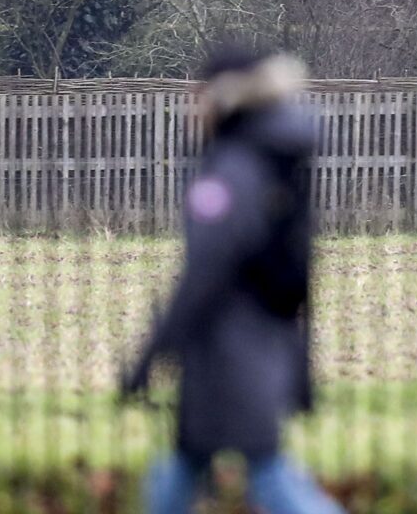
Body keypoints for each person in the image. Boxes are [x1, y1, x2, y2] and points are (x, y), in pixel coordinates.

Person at [120, 45, 340, 514]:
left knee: (267, 475)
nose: (189, 105)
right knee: (187, 469)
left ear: (222, 99)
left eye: (195, 93)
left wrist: (152, 353)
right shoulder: (270, 162)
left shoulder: (231, 172)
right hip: (258, 345)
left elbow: (204, 271)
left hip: (229, 354)